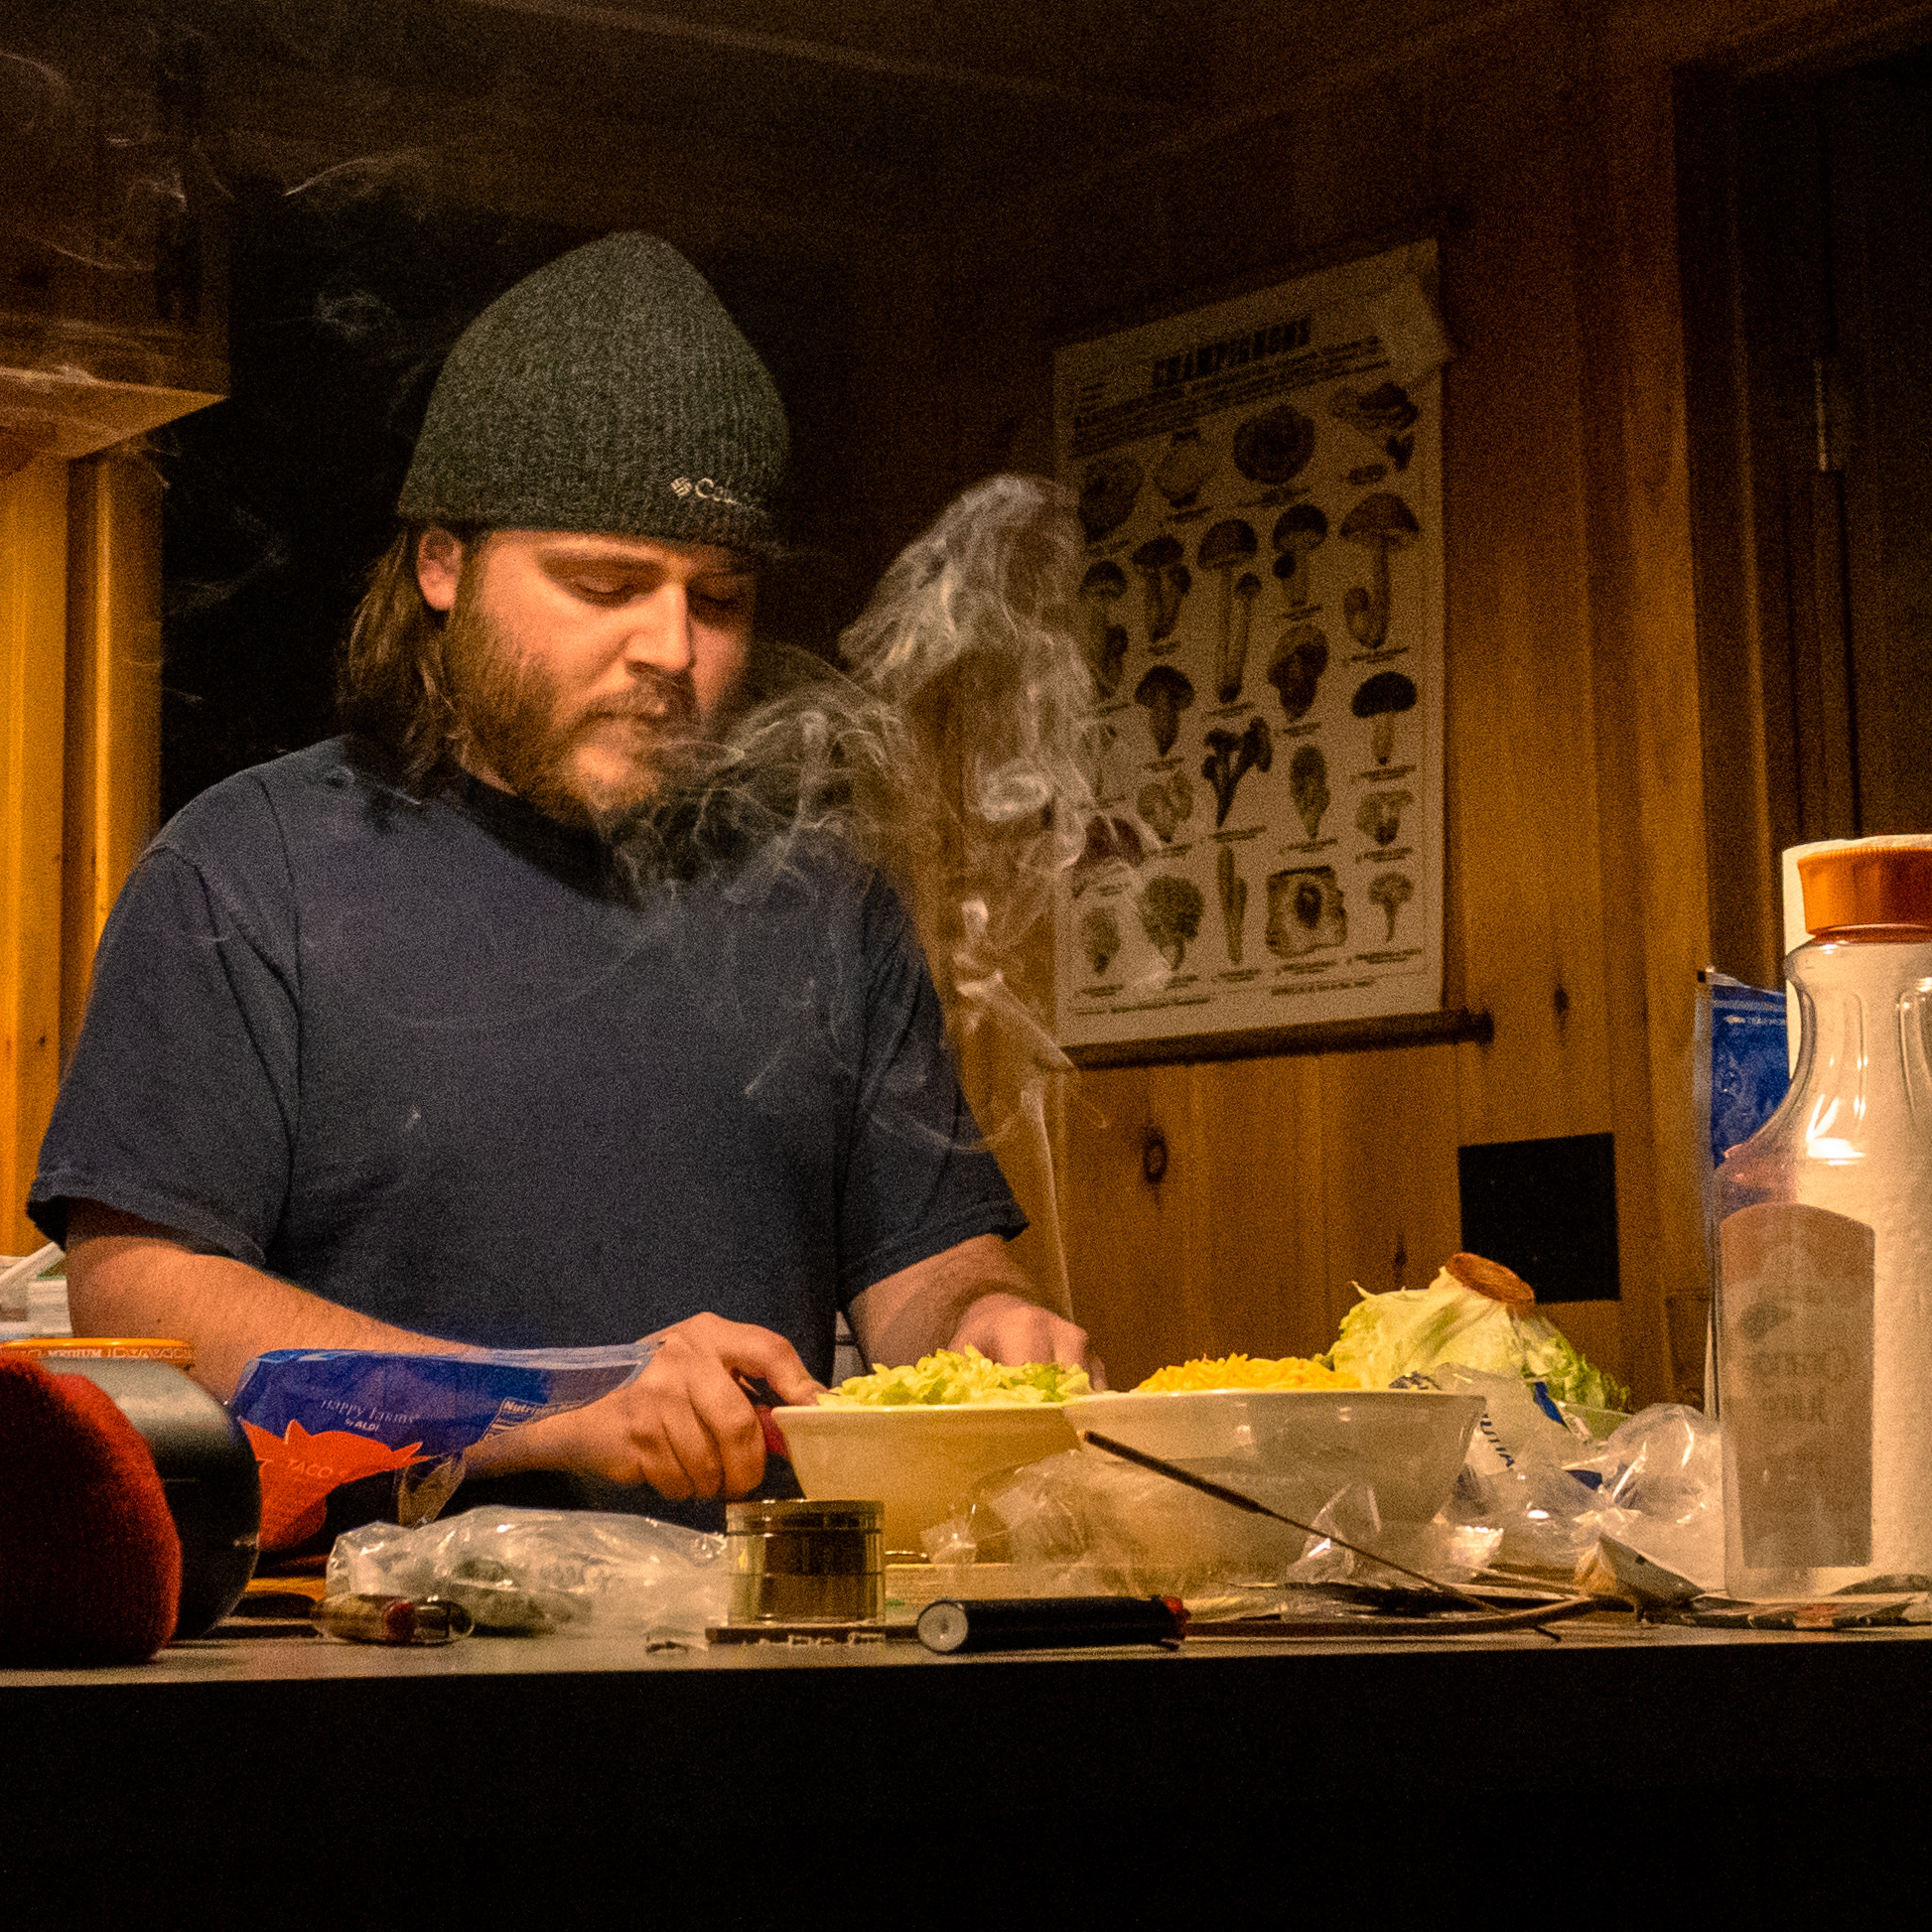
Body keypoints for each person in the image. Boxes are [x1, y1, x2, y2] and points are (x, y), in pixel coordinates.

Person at [29, 233, 1092, 1521]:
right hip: (373, 1632)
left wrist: (985, 1323)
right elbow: (145, 1309)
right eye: (605, 583)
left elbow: (925, 1268)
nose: (671, 649)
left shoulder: (822, 901)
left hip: (760, 1626)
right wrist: (555, 1401)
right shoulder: (247, 874)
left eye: (719, 598)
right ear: (443, 563)